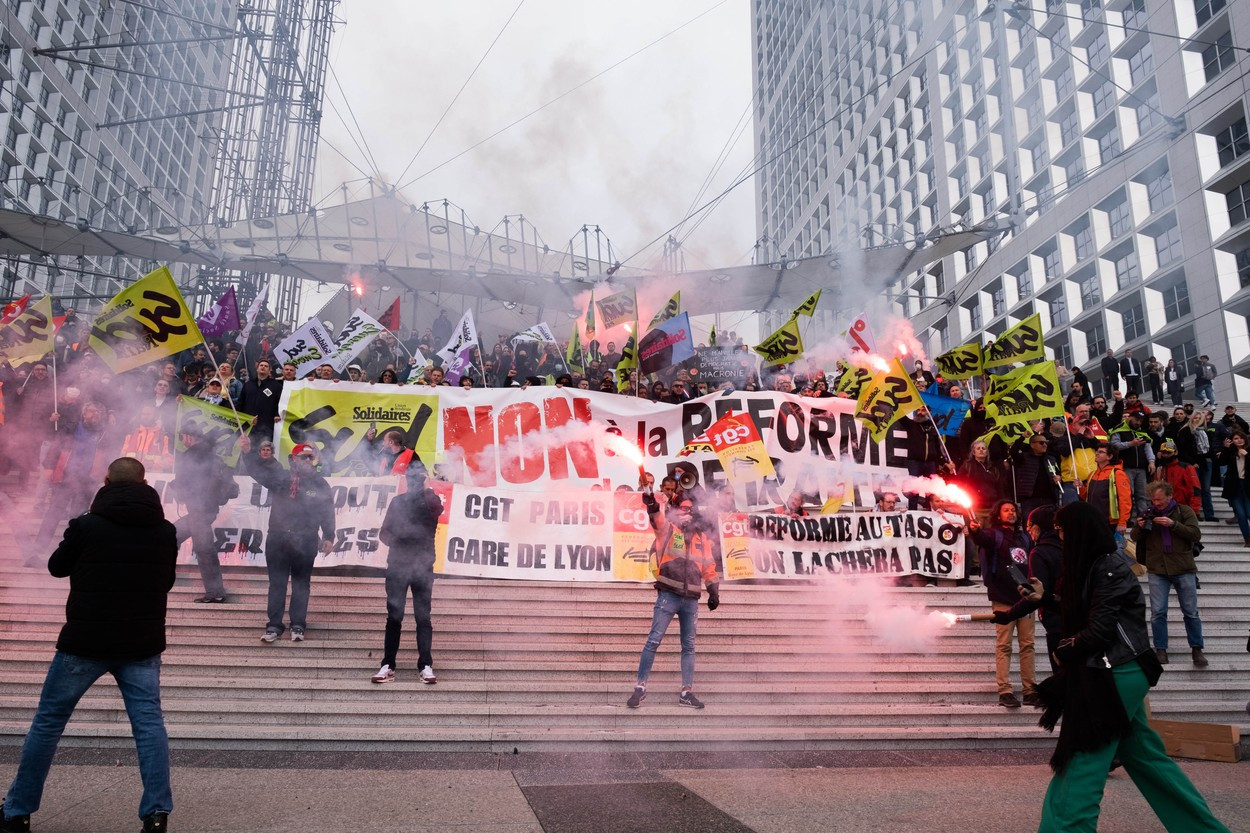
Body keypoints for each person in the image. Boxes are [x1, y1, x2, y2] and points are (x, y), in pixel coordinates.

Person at [0, 458, 176, 833]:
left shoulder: (86, 525)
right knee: (149, 726)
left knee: (47, 724)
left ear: (106, 480)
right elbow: (166, 582)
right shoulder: (164, 530)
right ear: (145, 483)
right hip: (141, 643)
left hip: (84, 641)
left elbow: (56, 567)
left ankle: (17, 812)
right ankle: (157, 814)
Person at [1036, 501, 1229, 833]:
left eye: (1063, 529)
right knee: (1147, 760)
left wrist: (1064, 651)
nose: (1060, 536)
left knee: (1082, 759)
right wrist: (1045, 598)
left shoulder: (1107, 567)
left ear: (1080, 531)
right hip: (1120, 670)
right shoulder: (1100, 564)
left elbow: (1100, 630)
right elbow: (1095, 611)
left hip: (1114, 671)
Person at [626, 490, 721, 710]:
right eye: (683, 508)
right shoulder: (667, 529)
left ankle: (687, 692)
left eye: (690, 509)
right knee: (653, 640)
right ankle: (640, 688)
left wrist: (713, 589)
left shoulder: (701, 537)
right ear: (676, 511)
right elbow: (656, 518)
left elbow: (708, 565)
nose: (687, 512)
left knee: (688, 646)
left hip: (691, 600)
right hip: (668, 594)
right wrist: (651, 504)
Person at [238, 437, 336, 642]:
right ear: (293, 459)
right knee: (277, 583)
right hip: (278, 537)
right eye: (304, 457)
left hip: (307, 538)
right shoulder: (281, 477)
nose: (308, 461)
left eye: (311, 457)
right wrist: (247, 452)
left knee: (301, 583)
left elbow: (327, 511)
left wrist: (328, 536)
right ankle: (274, 626)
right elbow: (258, 472)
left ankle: (298, 625)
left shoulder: (320, 483)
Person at [372, 463, 445, 685]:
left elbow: (437, 510)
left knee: (423, 617)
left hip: (422, 568)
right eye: (412, 478)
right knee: (394, 617)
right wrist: (400, 541)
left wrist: (427, 488)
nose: (414, 482)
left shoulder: (431, 499)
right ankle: (388, 664)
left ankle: (425, 665)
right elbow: (384, 533)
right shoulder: (398, 502)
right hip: (398, 566)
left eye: (418, 478)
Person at [969, 499, 1039, 708]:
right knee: (1004, 645)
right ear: (998, 514)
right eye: (1006, 510)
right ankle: (1005, 690)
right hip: (1002, 598)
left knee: (1028, 645)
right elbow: (981, 538)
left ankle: (1029, 690)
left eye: (1013, 510)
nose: (1011, 513)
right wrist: (975, 531)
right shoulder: (993, 534)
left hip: (1025, 599)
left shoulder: (1025, 537)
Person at [1132, 481, 1207, 668]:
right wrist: (1140, 526)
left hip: (1183, 568)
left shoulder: (1184, 511)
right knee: (1158, 612)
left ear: (1169, 496)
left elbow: (1195, 534)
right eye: (1153, 499)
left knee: (1191, 612)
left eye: (1159, 499)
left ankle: (1197, 649)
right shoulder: (1148, 512)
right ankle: (1160, 650)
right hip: (1158, 569)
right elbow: (1134, 537)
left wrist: (1173, 524)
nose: (1156, 503)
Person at [992, 505, 1063, 673]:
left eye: (1030, 526)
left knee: (1063, 676)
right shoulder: (1070, 548)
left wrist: (1008, 615)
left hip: (1057, 624)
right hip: (1079, 622)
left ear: (1038, 527)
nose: (1028, 530)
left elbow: (1037, 596)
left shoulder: (1039, 553)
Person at [171, 425, 237, 603]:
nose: (183, 441)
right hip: (206, 508)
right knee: (171, 536)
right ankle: (215, 591)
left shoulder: (192, 455)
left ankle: (215, 592)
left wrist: (177, 488)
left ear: (189, 437)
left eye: (183, 437)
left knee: (204, 549)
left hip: (199, 509)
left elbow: (186, 482)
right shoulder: (214, 457)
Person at [1218, 428, 1250, 545]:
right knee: (1241, 515)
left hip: (1247, 486)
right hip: (1234, 486)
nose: (1239, 440)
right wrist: (1225, 448)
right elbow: (1221, 462)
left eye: (1241, 438)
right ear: (1232, 441)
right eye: (1236, 438)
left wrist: (1247, 455)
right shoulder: (1230, 451)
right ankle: (1247, 539)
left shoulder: (1249, 450)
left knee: (1249, 513)